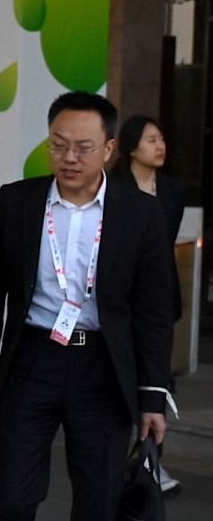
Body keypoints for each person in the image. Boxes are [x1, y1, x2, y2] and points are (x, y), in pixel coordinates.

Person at [0, 92, 175, 521]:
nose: (68, 157)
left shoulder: (139, 215)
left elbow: (153, 310)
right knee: (9, 496)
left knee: (98, 514)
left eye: (83, 147)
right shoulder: (17, 203)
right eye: (59, 144)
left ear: (109, 149)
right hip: (34, 359)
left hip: (103, 374)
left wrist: (151, 394)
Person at [113, 114, 186, 494]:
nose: (160, 146)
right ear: (129, 147)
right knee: (124, 375)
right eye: (151, 140)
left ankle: (151, 459)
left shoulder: (173, 191)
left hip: (158, 296)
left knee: (158, 377)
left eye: (161, 139)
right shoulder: (114, 185)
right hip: (120, 296)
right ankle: (128, 456)